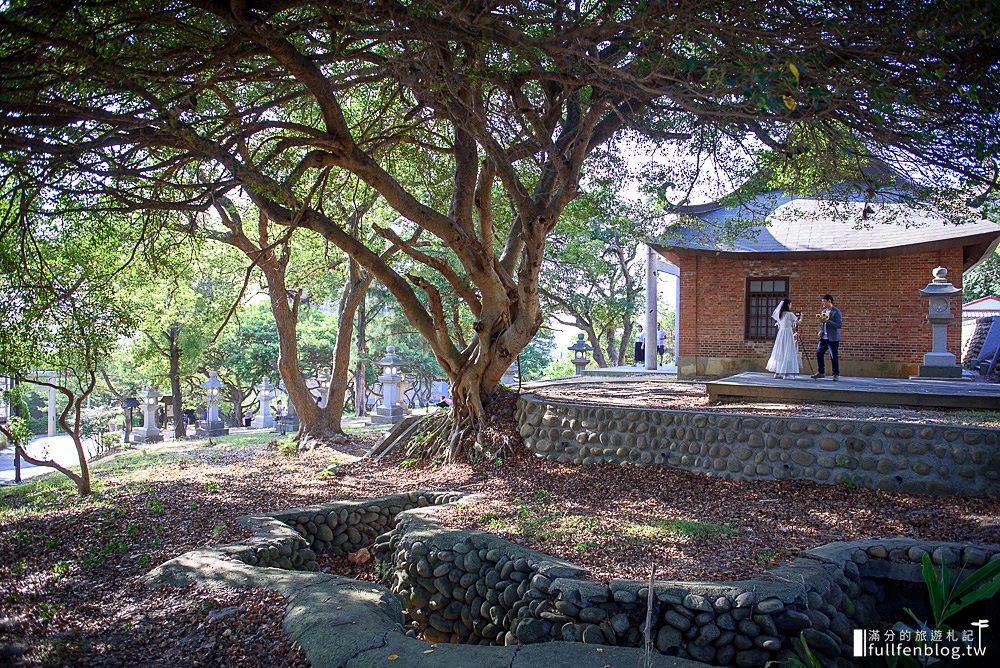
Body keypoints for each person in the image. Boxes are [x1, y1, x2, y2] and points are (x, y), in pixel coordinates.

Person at [765, 299, 800, 379]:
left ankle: (777, 373)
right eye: (790, 304)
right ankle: (786, 374)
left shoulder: (779, 314)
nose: (791, 306)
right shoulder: (789, 314)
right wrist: (801, 317)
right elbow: (798, 322)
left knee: (780, 352)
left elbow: (780, 324)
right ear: (788, 305)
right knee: (788, 351)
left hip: (781, 334)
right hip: (788, 334)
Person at [811, 293, 843, 380]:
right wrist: (820, 331)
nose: (823, 304)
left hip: (833, 338)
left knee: (833, 355)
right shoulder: (823, 312)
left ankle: (835, 374)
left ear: (829, 301)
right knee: (819, 353)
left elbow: (839, 325)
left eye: (824, 302)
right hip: (823, 337)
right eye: (822, 302)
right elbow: (822, 323)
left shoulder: (836, 311)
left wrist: (828, 321)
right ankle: (821, 372)